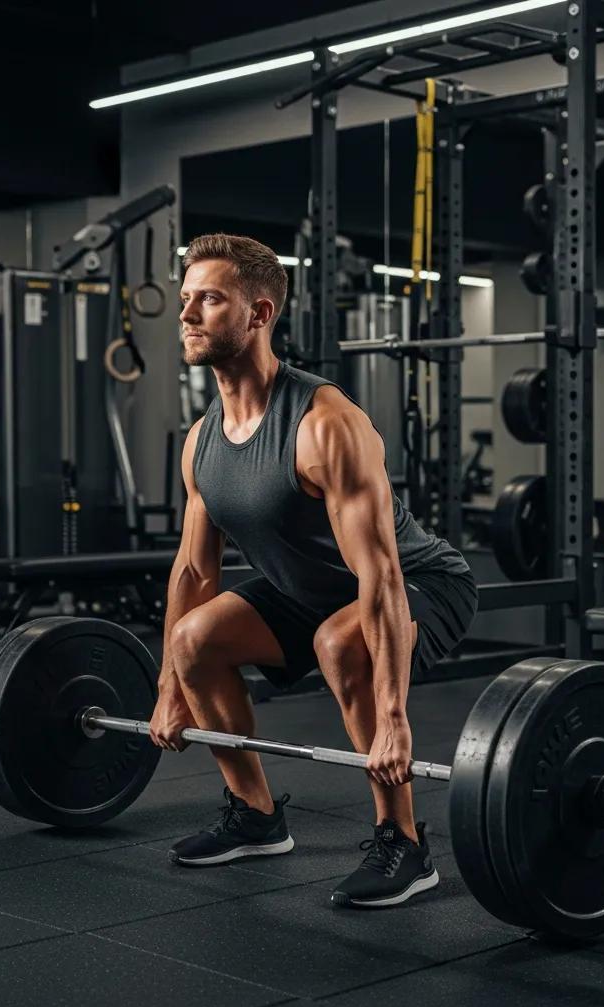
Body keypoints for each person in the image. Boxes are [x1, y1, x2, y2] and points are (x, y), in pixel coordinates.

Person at [148, 233, 478, 908]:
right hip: (310, 592)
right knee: (193, 641)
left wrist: (394, 718)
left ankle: (404, 842)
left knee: (339, 641)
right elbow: (192, 573)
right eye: (185, 299)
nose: (186, 314)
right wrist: (168, 688)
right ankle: (255, 816)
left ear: (259, 314)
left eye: (209, 299)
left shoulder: (325, 423)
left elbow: (380, 574)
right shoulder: (202, 440)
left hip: (419, 584)